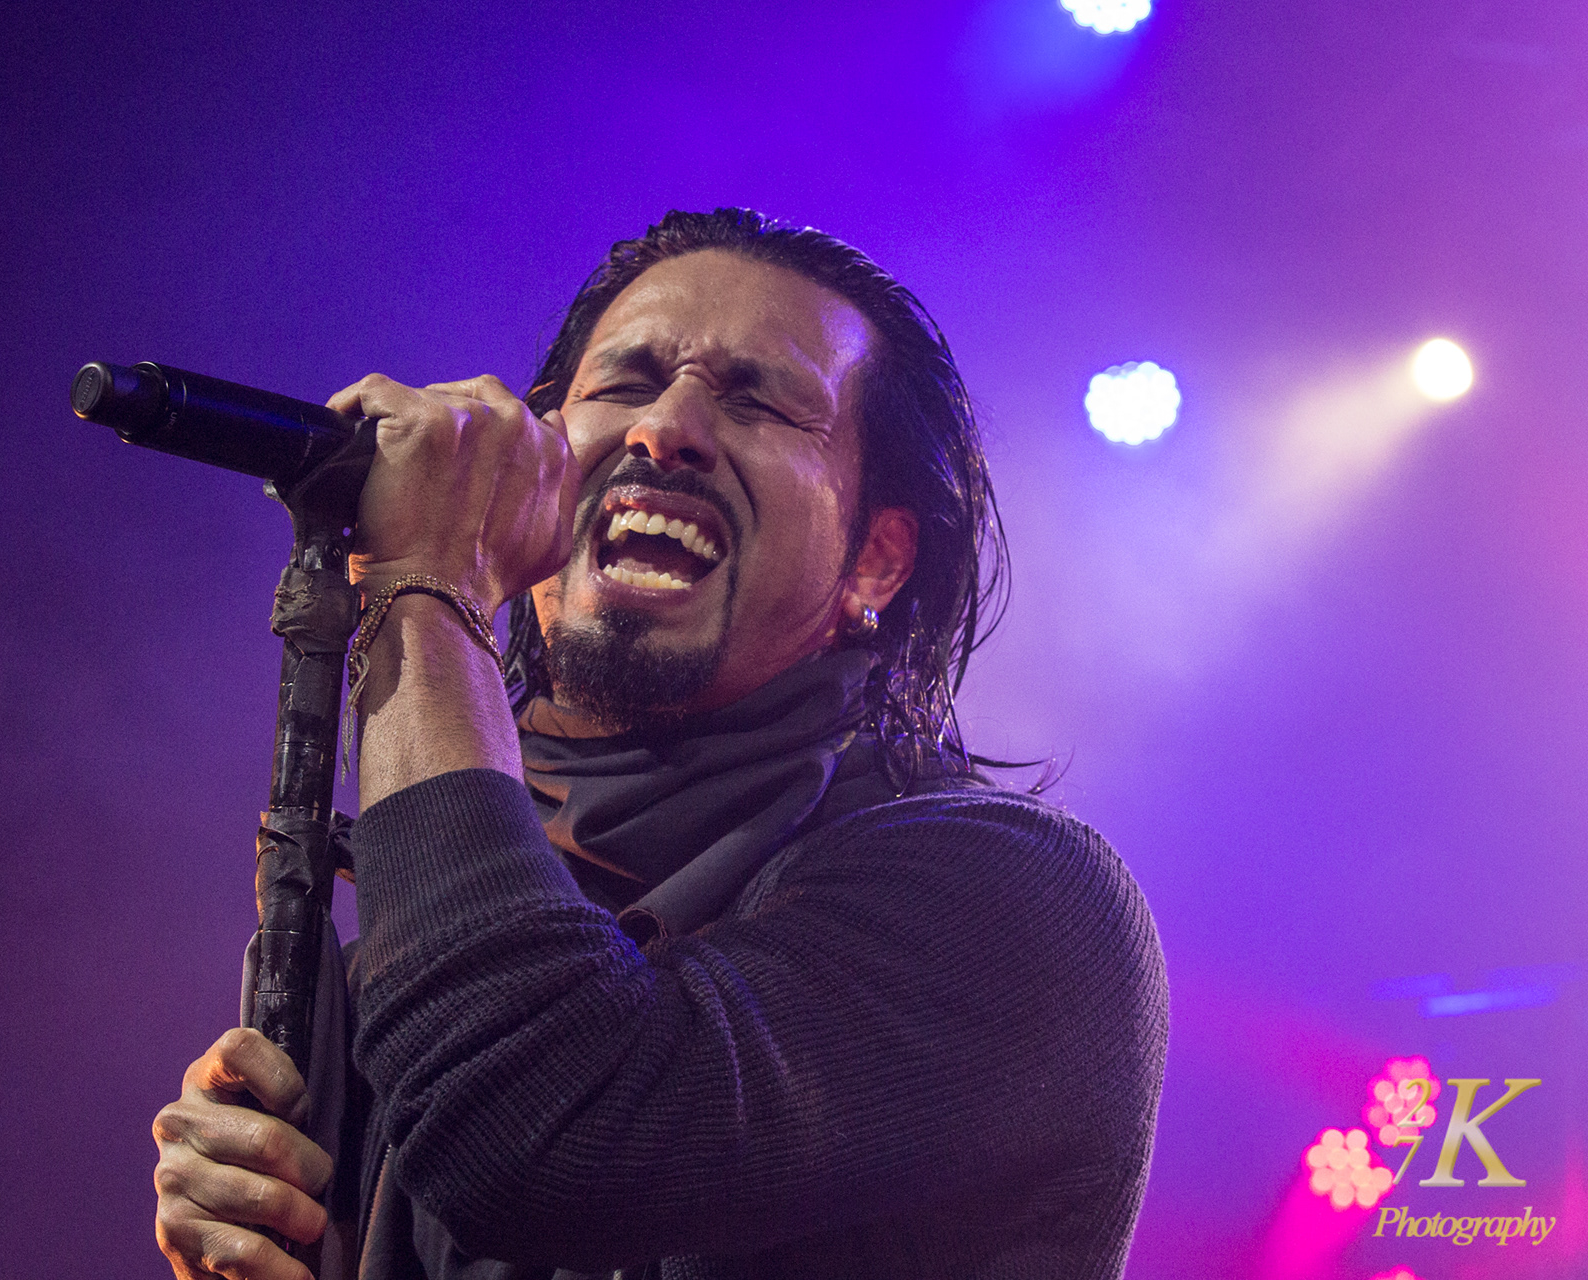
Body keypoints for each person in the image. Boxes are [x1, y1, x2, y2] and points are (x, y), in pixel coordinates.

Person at [150, 209, 1168, 1280]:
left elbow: (542, 1131)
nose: (665, 427)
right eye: (626, 383)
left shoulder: (1011, 903)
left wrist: (429, 584)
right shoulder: (410, 971)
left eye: (756, 400)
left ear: (873, 561)